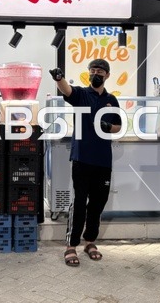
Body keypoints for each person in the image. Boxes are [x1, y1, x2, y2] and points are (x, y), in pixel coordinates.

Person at [49, 59, 122, 267]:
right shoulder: (81, 94)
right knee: (79, 203)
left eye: (100, 71)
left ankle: (90, 242)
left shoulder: (112, 100)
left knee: (98, 203)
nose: (95, 73)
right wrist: (59, 78)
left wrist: (108, 126)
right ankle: (71, 246)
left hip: (103, 161)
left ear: (107, 75)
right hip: (82, 159)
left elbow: (118, 127)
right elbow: (67, 90)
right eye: (92, 70)